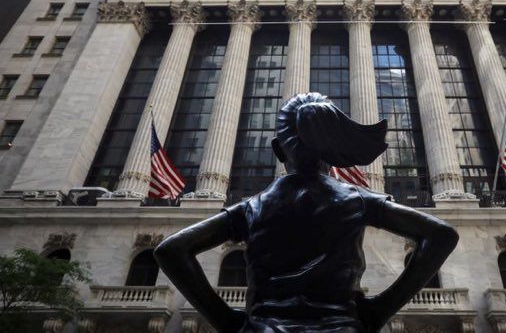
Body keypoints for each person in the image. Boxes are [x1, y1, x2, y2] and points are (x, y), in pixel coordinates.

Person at [155, 93, 459, 333]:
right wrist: (380, 309)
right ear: (331, 149)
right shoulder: (356, 200)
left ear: (278, 150)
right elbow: (441, 234)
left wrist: (227, 321)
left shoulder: (252, 208)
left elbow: (171, 250)